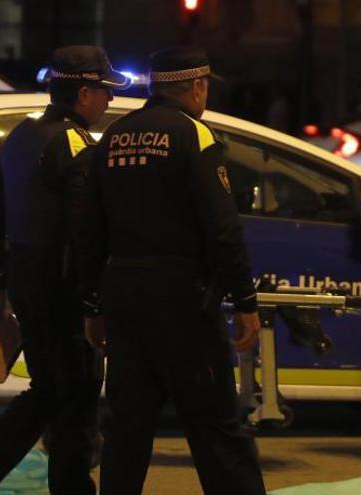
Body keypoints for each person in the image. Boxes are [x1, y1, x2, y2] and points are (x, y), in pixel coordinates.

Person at [0, 46, 130, 495]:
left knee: (51, 390)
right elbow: (85, 228)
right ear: (83, 93)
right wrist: (93, 298)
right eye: (104, 92)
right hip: (62, 285)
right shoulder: (74, 144)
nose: (108, 102)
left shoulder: (24, 134)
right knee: (78, 388)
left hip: (27, 277)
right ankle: (52, 483)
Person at [78, 46, 266, 495]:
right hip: (182, 302)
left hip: (123, 297)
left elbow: (89, 230)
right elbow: (223, 230)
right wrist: (246, 301)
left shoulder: (114, 137)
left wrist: (92, 304)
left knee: (127, 428)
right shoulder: (194, 136)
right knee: (216, 427)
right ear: (197, 86)